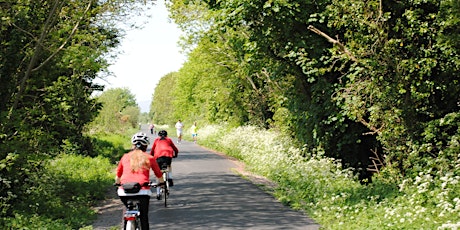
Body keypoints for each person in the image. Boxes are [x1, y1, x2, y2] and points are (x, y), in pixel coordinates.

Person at [115, 132, 164, 230]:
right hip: (143, 191)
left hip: (124, 191)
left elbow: (118, 176)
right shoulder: (149, 157)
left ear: (133, 145)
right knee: (143, 217)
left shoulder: (125, 156)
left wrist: (117, 184)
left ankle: (124, 225)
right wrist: (161, 183)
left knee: (127, 208)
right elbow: (158, 174)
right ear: (145, 146)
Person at [150, 130, 178, 199]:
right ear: (166, 135)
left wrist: (151, 157)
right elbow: (175, 149)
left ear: (159, 135)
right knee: (169, 165)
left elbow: (152, 150)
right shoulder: (169, 140)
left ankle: (158, 193)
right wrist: (176, 154)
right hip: (168, 155)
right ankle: (170, 178)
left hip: (158, 157)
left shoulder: (156, 140)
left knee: (158, 173)